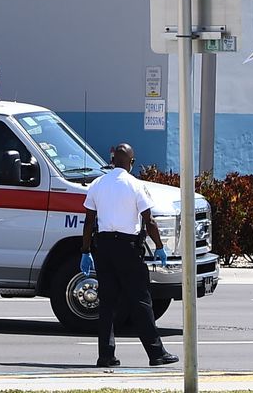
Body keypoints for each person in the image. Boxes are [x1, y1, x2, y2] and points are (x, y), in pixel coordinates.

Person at [81, 143, 178, 369]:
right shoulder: (135, 185)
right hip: (128, 248)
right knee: (141, 300)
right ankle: (156, 353)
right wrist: (160, 246)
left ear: (112, 160)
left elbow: (88, 222)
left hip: (103, 247)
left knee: (107, 303)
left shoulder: (97, 184)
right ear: (131, 163)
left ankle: (106, 355)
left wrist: (85, 251)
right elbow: (149, 220)